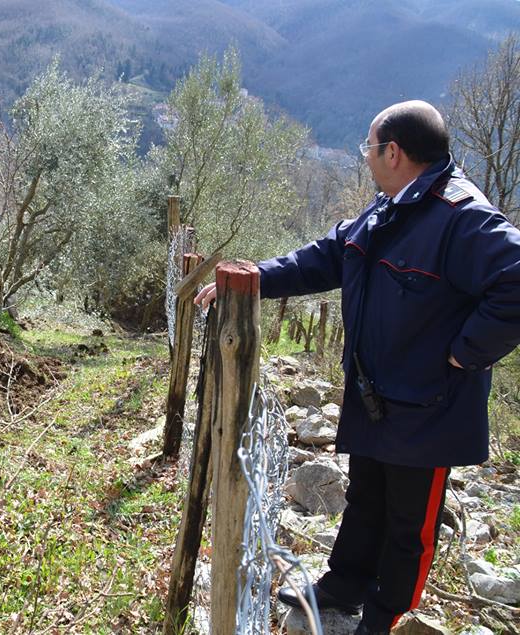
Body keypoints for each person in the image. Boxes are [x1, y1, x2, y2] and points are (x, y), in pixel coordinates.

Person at [194, 100, 520, 634]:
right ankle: (343, 585)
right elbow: (324, 257)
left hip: (429, 406)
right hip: (376, 395)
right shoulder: (389, 208)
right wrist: (258, 275)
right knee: (366, 495)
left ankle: (389, 615)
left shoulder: (462, 218)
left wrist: (466, 350)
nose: (365, 157)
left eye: (368, 147)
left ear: (394, 152)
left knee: (409, 522)